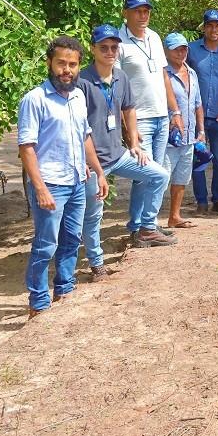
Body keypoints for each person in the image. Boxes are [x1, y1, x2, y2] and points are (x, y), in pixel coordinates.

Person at [18, 36, 109, 318]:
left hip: (77, 182)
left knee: (71, 240)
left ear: (79, 66)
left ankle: (64, 291)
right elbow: (27, 148)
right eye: (61, 63)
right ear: (49, 63)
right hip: (50, 184)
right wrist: (40, 188)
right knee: (46, 245)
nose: (66, 70)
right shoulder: (34, 99)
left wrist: (99, 172)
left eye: (72, 64)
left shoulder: (79, 96)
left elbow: (85, 137)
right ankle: (38, 303)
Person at [79, 25, 173, 274]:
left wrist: (134, 144)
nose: (110, 51)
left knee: (159, 174)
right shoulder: (82, 81)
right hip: (92, 161)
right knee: (93, 214)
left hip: (118, 154)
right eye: (104, 47)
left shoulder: (121, 77)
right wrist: (92, 167)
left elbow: (129, 109)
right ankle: (96, 264)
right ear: (93, 49)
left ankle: (147, 228)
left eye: (113, 47)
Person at [116, 0, 182, 242]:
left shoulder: (154, 37)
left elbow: (163, 75)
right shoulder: (119, 43)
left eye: (146, 11)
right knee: (145, 172)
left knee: (157, 170)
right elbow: (118, 85)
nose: (143, 15)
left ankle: (146, 223)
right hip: (139, 118)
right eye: (137, 10)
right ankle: (141, 227)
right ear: (126, 13)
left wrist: (174, 110)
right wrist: (126, 126)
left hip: (160, 116)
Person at [188, 9, 218, 215]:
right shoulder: (191, 50)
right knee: (198, 160)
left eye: (217, 25)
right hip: (195, 117)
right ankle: (201, 202)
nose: (214, 29)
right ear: (204, 27)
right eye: (210, 25)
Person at [163, 33, 205, 229]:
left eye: (183, 48)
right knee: (162, 178)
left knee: (181, 178)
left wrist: (201, 130)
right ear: (166, 51)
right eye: (176, 49)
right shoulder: (162, 75)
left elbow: (198, 104)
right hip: (169, 137)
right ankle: (147, 222)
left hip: (189, 137)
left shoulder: (192, 73)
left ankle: (175, 216)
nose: (181, 52)